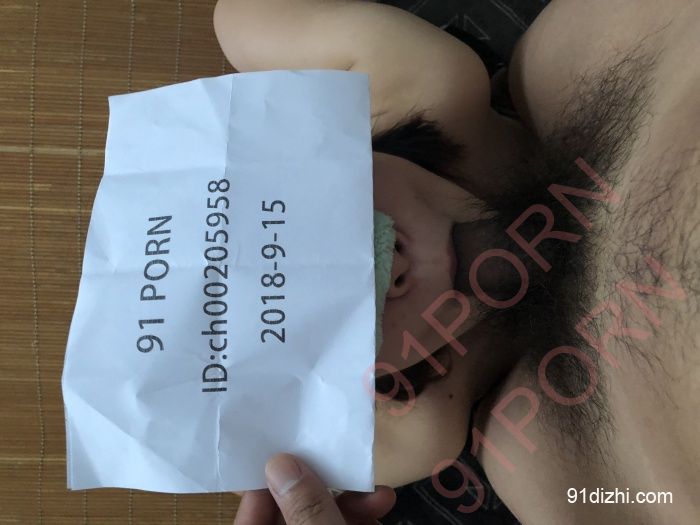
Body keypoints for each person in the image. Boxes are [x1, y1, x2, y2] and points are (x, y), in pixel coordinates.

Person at [214, 1, 700, 523]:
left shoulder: (444, 87)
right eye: (328, 318)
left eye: (325, 217)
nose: (388, 270)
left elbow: (238, 16)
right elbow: (276, 464)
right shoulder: (566, 473)